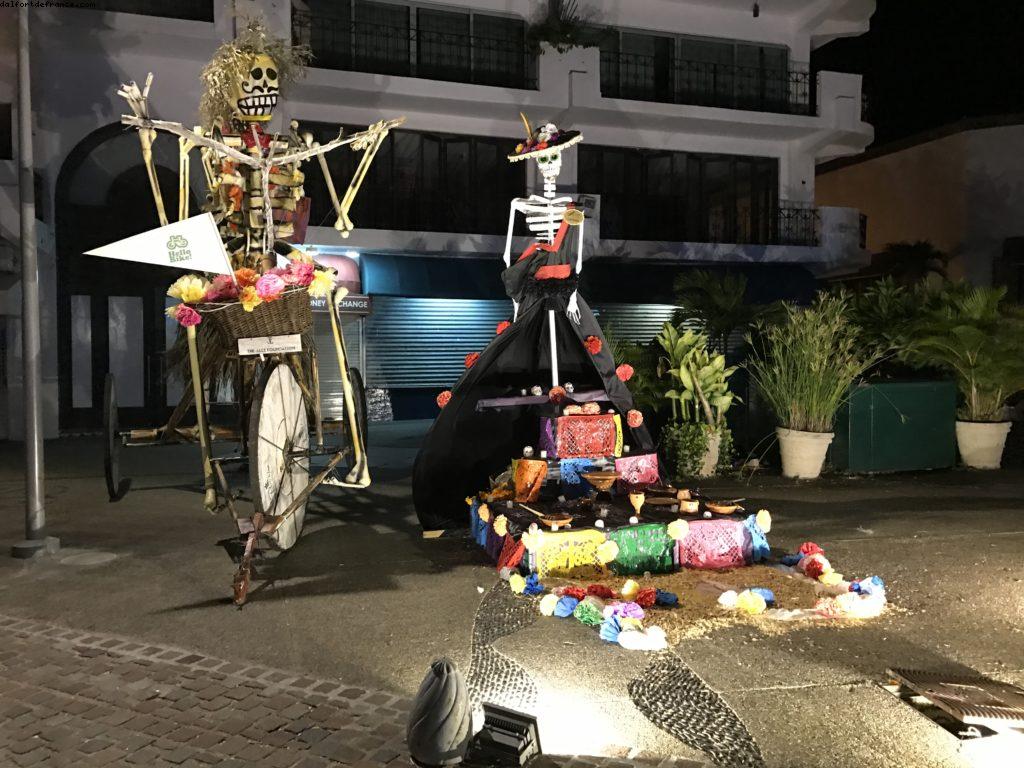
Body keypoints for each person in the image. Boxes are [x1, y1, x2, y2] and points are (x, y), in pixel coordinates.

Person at [413, 117, 652, 531]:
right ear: (535, 160)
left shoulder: (572, 209)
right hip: (531, 298)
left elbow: (576, 258)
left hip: (567, 298)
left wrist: (573, 293)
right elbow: (509, 258)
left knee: (595, 373)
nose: (550, 166)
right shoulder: (520, 206)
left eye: (555, 157)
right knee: (514, 368)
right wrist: (520, 297)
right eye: (545, 158)